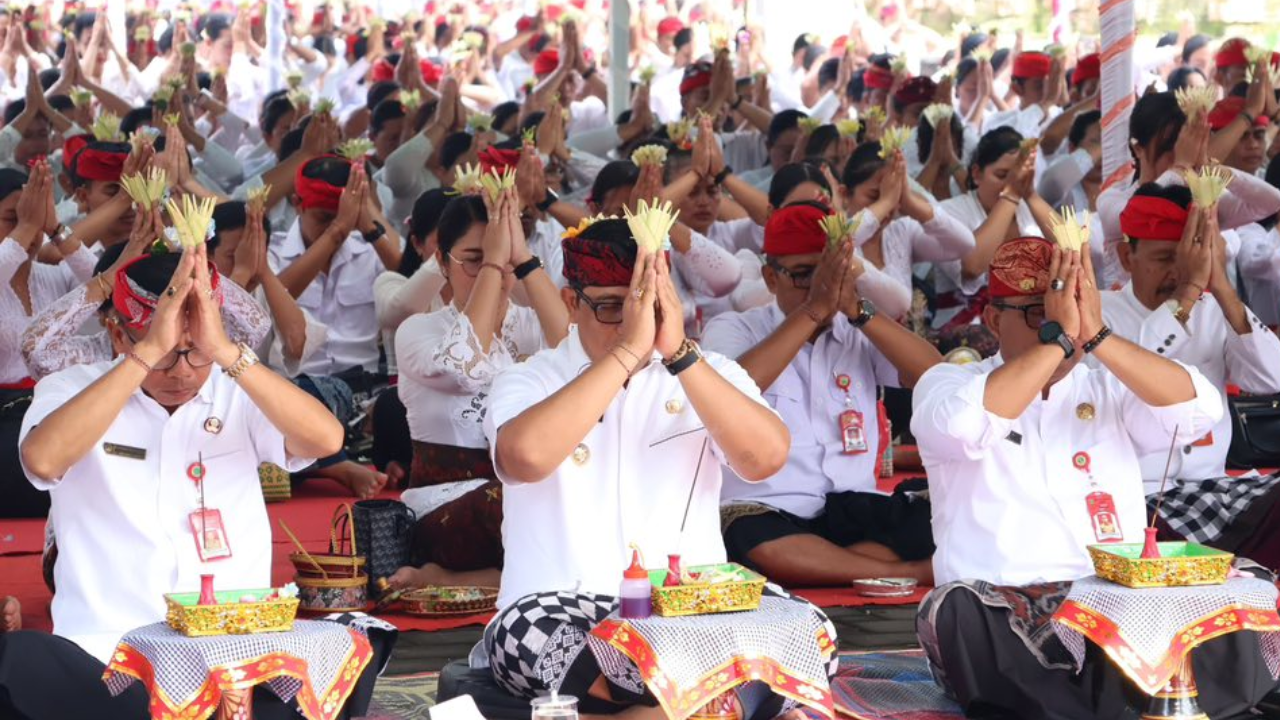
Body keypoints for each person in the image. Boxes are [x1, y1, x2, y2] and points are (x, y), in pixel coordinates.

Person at [477, 216, 836, 717]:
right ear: (570, 302)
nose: (634, 323)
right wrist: (626, 352)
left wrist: (681, 356)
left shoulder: (707, 373)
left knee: (813, 628)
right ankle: (709, 704)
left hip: (692, 611)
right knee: (525, 634)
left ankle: (671, 706)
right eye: (611, 307)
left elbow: (766, 459)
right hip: (566, 607)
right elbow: (525, 458)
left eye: (648, 305)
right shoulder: (528, 380)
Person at [911, 236, 1274, 719]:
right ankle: (1135, 700)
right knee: (956, 611)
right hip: (1009, 611)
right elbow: (962, 427)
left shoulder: (1108, 382)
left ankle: (1130, 698)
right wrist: (1058, 341)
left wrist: (1098, 336)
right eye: (1042, 312)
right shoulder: (951, 384)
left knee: (1248, 585)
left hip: (1120, 608)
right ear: (995, 320)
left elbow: (1199, 409)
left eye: (1076, 305)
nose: (1065, 323)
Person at [2, 242, 348, 718]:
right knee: (23, 662)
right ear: (117, 335)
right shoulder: (70, 388)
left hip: (232, 659)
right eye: (168, 354)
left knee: (348, 650)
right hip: (109, 656)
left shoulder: (235, 387)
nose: (183, 372)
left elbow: (326, 439)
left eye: (194, 353)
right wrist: (145, 357)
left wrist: (225, 352)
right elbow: (42, 461)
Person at [704, 202, 942, 586]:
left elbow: (935, 376)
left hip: (854, 507)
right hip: (770, 510)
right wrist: (812, 310)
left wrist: (858, 310)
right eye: (803, 275)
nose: (822, 286)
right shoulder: (734, 328)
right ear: (769, 277)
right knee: (746, 534)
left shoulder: (859, 328)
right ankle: (900, 572)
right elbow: (729, 396)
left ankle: (833, 567)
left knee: (942, 509)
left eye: (829, 274)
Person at [390, 187, 568, 590]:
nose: (497, 276)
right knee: (526, 503)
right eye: (475, 261)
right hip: (446, 504)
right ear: (441, 260)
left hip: (523, 489)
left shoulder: (528, 323)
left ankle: (465, 581)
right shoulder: (417, 330)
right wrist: (493, 264)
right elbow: (465, 370)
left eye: (505, 264)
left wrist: (523, 260)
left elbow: (579, 358)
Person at [1107, 185, 1280, 566]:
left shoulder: (1214, 308)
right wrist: (1185, 296)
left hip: (1217, 494)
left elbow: (1272, 378)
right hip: (1139, 498)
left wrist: (1220, 285)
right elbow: (1136, 380)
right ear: (1125, 256)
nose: (1181, 272)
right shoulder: (1096, 317)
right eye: (1166, 258)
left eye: (1190, 259)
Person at [1, 162, 94, 519]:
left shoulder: (53, 277)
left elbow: (103, 283)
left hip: (54, 408)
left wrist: (56, 227)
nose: (30, 231)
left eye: (34, 220)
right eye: (12, 218)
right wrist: (25, 228)